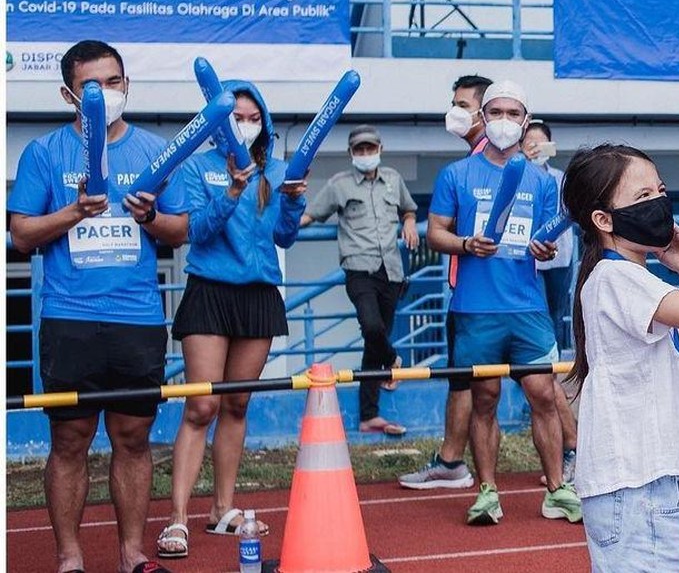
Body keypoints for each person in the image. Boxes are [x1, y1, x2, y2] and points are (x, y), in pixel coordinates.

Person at [9, 40, 187, 573]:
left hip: (137, 319)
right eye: (92, 86)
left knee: (133, 439)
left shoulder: (155, 151)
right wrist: (73, 213)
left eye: (114, 83)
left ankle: (131, 554)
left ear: (127, 85)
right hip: (70, 319)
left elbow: (179, 232)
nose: (105, 94)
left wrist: (149, 218)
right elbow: (20, 235)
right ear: (69, 94)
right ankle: (70, 558)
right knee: (70, 441)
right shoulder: (44, 153)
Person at [562, 144, 679, 570]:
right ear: (604, 220)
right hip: (637, 486)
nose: (659, 203)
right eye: (642, 197)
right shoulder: (616, 278)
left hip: (650, 482)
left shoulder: (636, 282)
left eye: (659, 191)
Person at [157, 81, 307, 558]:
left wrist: (296, 201)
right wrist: (232, 190)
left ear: (263, 122)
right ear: (219, 124)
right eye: (235, 116)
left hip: (259, 294)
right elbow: (195, 232)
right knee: (201, 406)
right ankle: (177, 517)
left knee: (237, 405)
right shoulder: (198, 167)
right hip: (210, 293)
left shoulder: (277, 170)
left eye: (252, 116)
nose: (244, 123)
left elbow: (283, 238)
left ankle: (221, 508)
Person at [426, 79, 582, 525]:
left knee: (544, 395)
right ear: (483, 117)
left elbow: (548, 238)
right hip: (475, 307)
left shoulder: (542, 180)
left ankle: (557, 490)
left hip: (527, 307)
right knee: (485, 400)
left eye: (514, 114)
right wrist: (463, 244)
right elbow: (435, 233)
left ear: (526, 122)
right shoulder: (456, 174)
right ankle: (487, 492)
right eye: (496, 112)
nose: (505, 122)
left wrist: (545, 251)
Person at [398, 73, 492, 490]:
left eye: (462, 104)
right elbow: (441, 231)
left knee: (540, 385)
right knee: (466, 381)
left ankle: (571, 453)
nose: (453, 111)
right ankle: (453, 462)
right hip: (469, 291)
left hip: (502, 295)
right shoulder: (463, 168)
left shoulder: (502, 161)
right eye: (452, 102)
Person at [301, 124, 419, 435]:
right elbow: (310, 216)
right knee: (372, 327)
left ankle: (369, 416)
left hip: (392, 270)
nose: (366, 154)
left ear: (380, 149)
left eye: (370, 149)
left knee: (371, 345)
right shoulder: (339, 184)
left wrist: (409, 223)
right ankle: (393, 359)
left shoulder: (393, 179)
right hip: (358, 269)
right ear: (351, 153)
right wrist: (280, 226)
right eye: (360, 150)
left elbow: (409, 209)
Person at [522, 121, 580, 485]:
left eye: (541, 143)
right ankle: (571, 446)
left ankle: (572, 448)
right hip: (523, 269)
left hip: (557, 264)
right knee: (539, 366)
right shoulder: (517, 175)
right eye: (530, 142)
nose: (535, 147)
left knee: (546, 357)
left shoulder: (560, 179)